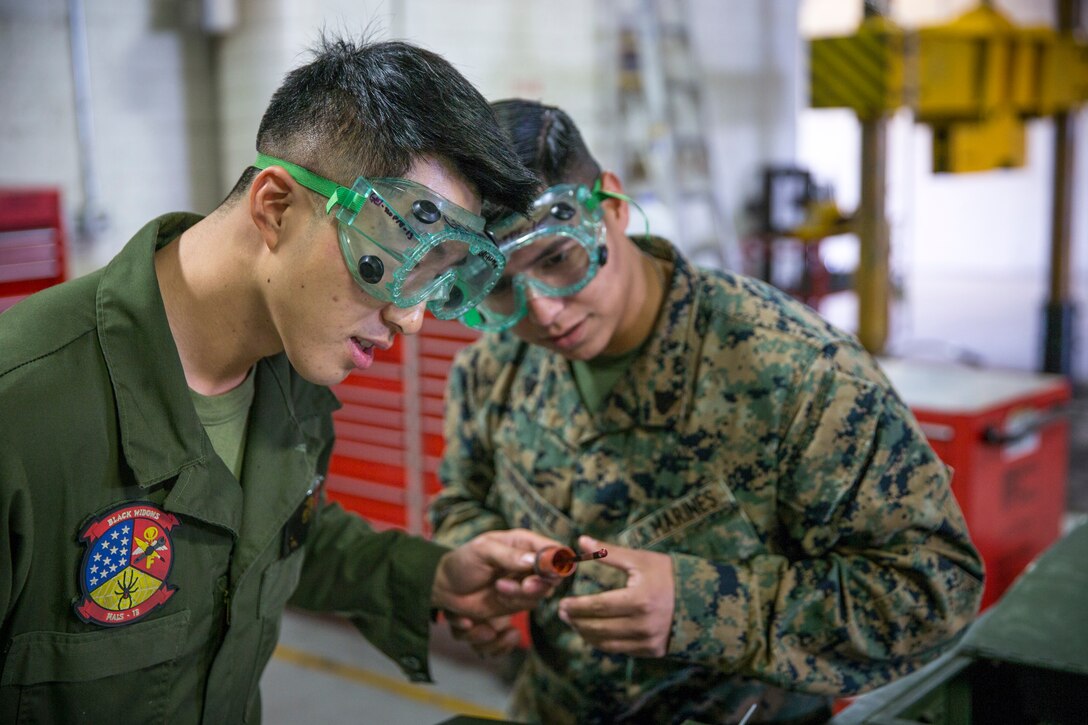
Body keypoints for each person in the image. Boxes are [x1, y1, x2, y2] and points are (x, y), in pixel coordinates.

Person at [0, 38, 567, 723]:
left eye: (434, 279)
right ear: (274, 207)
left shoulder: (290, 377)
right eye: (392, 262)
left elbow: (271, 535)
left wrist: (432, 575)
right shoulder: (22, 410)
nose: (411, 318)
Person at [429, 99, 985, 725]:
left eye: (558, 260)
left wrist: (701, 608)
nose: (543, 312)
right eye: (500, 285)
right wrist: (479, 572)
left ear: (611, 205)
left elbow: (932, 590)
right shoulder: (492, 369)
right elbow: (463, 500)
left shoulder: (797, 372)